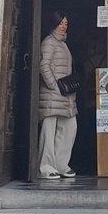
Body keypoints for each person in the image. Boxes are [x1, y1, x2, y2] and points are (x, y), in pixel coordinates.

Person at [37, 10, 77, 179]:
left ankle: (61, 165)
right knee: (49, 130)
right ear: (53, 24)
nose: (63, 26)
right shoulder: (49, 42)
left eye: (66, 23)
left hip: (65, 96)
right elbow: (43, 66)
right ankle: (46, 167)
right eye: (61, 23)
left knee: (69, 128)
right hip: (52, 95)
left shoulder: (62, 43)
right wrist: (54, 85)